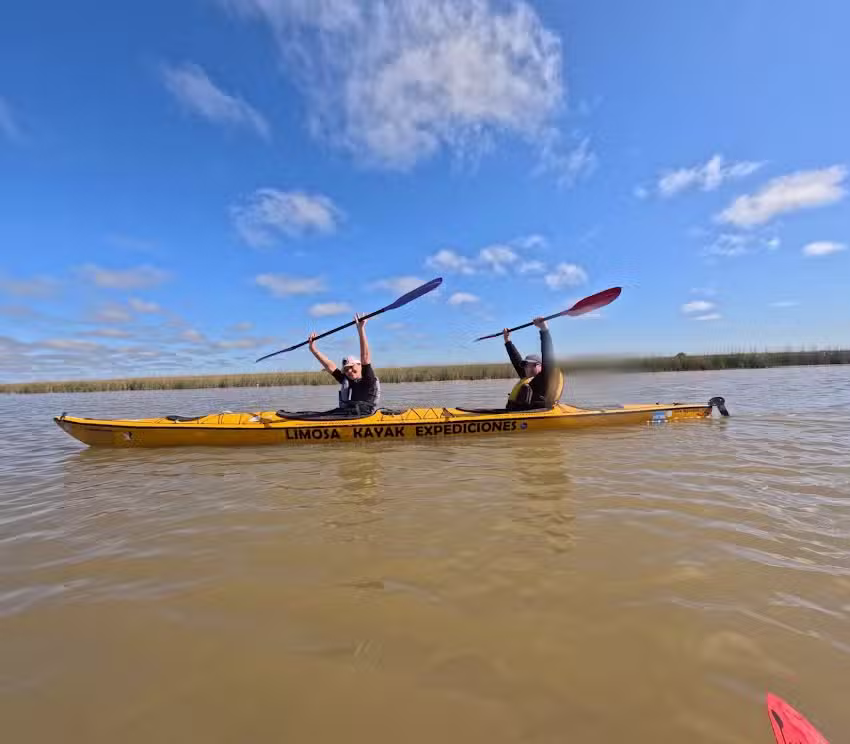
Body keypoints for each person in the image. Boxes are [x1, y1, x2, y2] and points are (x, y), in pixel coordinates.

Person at [307, 313, 381, 415]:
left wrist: (360, 329)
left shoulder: (368, 378)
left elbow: (365, 356)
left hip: (364, 415)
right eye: (346, 369)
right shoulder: (346, 379)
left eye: (351, 367)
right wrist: (313, 350)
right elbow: (330, 366)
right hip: (347, 414)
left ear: (360, 365)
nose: (349, 371)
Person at [503, 317, 564, 410]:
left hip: (533, 417)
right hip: (514, 414)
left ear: (541, 366)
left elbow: (547, 354)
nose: (528, 368)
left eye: (533, 365)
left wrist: (544, 329)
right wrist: (507, 340)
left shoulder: (544, 379)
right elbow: (515, 360)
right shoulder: (527, 377)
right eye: (526, 365)